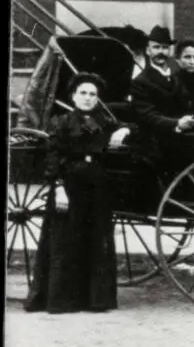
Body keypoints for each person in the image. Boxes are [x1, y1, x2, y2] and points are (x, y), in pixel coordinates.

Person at [25, 73, 131, 313]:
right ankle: (63, 300)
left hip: (96, 189)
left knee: (95, 239)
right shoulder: (60, 122)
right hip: (69, 187)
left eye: (92, 94)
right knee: (66, 241)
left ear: (98, 99)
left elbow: (130, 126)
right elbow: (53, 157)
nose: (87, 98)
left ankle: (94, 300)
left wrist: (123, 131)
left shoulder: (104, 122)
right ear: (73, 96)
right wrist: (59, 189)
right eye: (83, 93)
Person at [128, 26, 194, 173]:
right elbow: (149, 116)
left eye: (165, 48)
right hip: (155, 140)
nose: (161, 52)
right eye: (156, 47)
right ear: (148, 50)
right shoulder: (141, 82)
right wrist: (177, 123)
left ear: (170, 51)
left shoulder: (174, 77)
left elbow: (186, 105)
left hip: (175, 134)